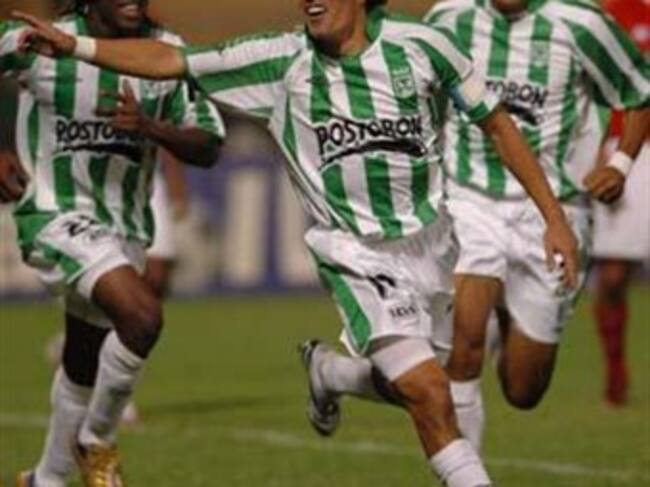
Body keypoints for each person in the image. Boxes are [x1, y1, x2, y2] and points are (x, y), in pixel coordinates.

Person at [14, 1, 581, 485]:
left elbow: (497, 124)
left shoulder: (424, 46)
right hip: (355, 253)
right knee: (433, 394)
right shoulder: (280, 60)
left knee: (416, 383)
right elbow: (172, 61)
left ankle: (332, 373)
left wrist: (553, 220)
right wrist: (75, 46)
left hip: (431, 246)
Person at [0, 1, 224, 485]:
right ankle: (97, 439)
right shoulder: (40, 40)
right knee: (142, 317)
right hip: (54, 213)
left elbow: (209, 144)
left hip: (126, 227)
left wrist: (151, 128)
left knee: (83, 357)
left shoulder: (166, 52)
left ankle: (46, 479)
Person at [419, 0, 649, 449]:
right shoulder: (449, 20)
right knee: (464, 346)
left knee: (524, 390)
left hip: (555, 212)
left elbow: (640, 90)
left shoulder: (582, 24)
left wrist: (621, 164)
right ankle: (467, 477)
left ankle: (508, 310)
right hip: (470, 200)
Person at [591, 0, 650, 407]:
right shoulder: (612, 15)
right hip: (630, 150)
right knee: (612, 276)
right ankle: (616, 373)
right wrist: (598, 146)